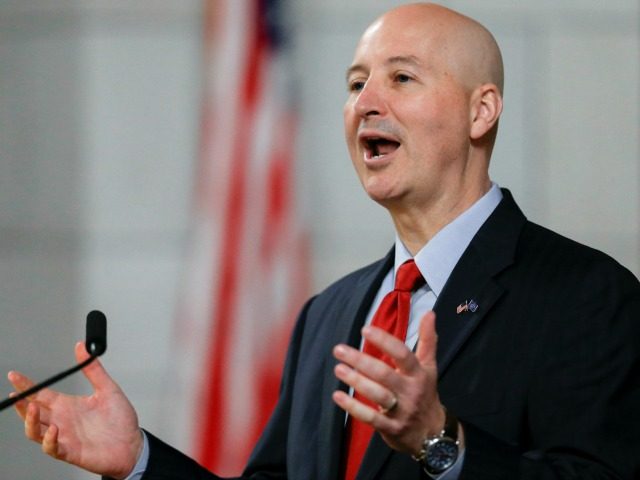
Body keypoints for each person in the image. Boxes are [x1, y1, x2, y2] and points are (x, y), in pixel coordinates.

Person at [8, 2, 640, 479]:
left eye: (401, 78)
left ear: (482, 111)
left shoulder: (586, 294)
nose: (366, 101)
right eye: (355, 82)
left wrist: (440, 442)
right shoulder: (328, 313)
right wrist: (140, 458)